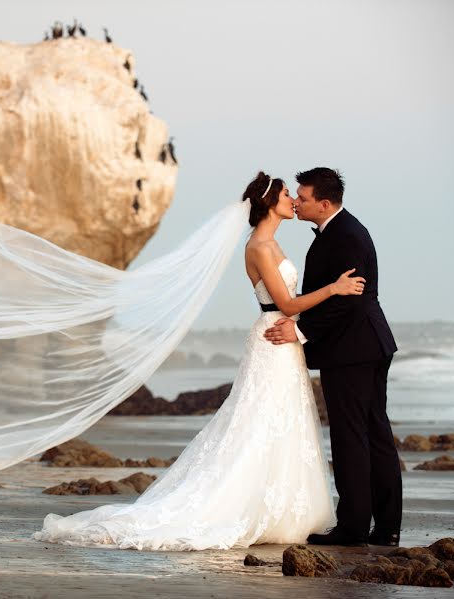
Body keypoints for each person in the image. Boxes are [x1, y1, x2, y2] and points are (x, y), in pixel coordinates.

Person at [31, 172, 365, 550]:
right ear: (270, 203)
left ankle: (285, 507)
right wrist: (335, 289)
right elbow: (287, 304)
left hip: (286, 338)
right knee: (259, 420)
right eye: (287, 194)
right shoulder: (257, 246)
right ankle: (246, 504)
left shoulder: (272, 244)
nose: (293, 200)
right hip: (273, 336)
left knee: (284, 420)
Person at [263, 167, 401, 547]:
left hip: (353, 348)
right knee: (374, 434)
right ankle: (386, 528)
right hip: (365, 345)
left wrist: (301, 330)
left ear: (324, 204)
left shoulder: (346, 236)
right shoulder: (342, 231)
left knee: (352, 437)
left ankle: (354, 528)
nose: (297, 202)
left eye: (303, 198)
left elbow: (349, 302)